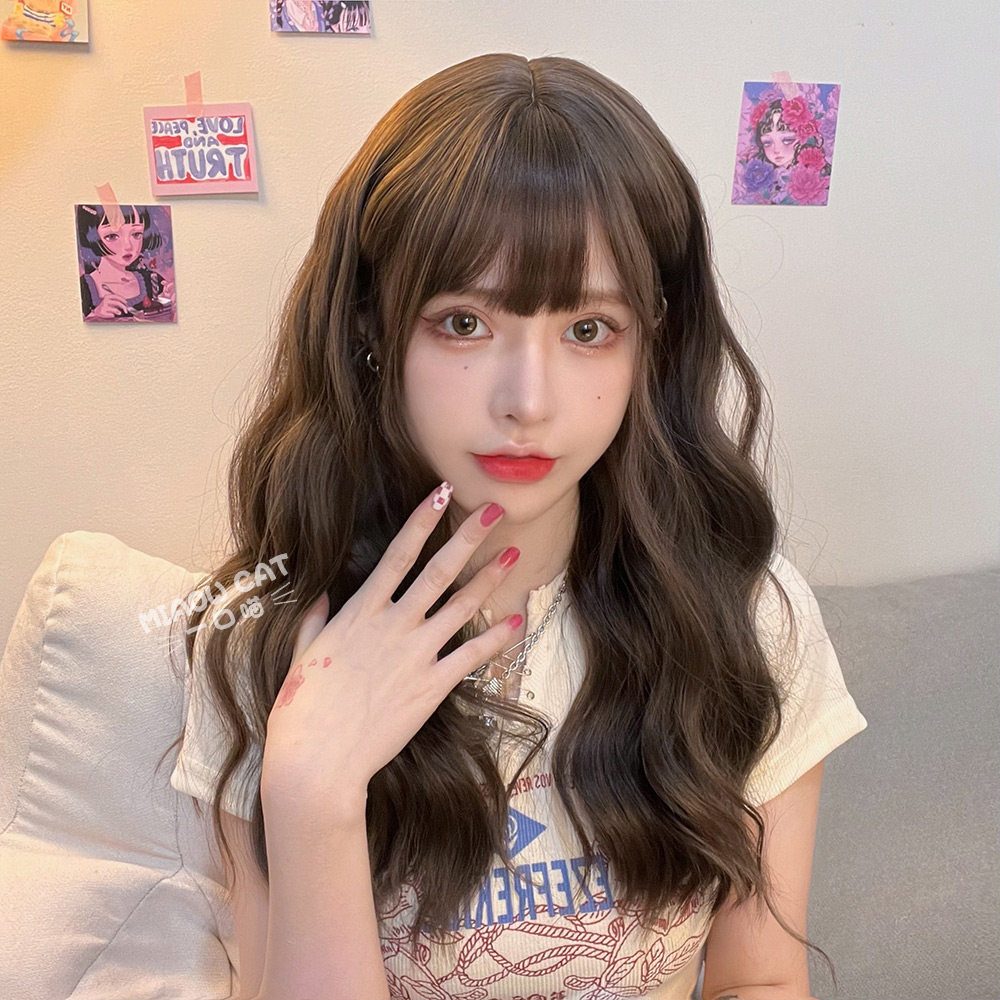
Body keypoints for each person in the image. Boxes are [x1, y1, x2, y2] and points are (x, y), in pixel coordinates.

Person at [164, 52, 868, 1000]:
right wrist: (313, 795)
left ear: (652, 342)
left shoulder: (747, 614)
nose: (528, 402)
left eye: (588, 329)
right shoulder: (267, 639)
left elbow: (761, 980)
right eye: (464, 323)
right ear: (371, 329)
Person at [75, 204, 175, 321]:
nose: (128, 246)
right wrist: (95, 314)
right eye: (112, 236)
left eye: (136, 234)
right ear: (91, 237)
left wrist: (169, 304)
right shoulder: (85, 287)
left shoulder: (153, 281)